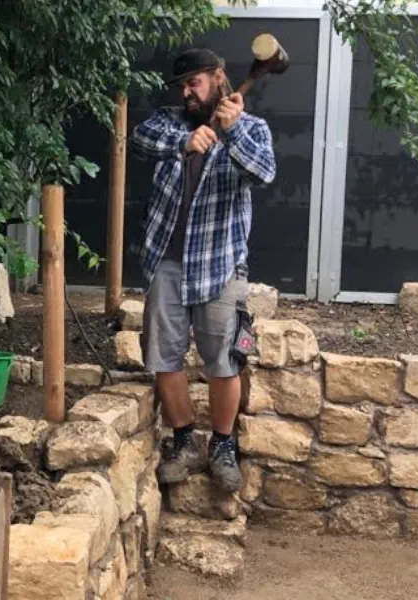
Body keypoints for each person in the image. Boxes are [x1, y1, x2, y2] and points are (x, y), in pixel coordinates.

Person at [129, 47, 276, 492]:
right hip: (167, 263)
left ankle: (223, 446)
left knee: (224, 360)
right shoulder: (169, 122)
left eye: (194, 82)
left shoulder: (251, 128)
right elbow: (137, 140)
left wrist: (230, 135)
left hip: (219, 264)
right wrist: (183, 143)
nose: (187, 92)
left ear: (218, 77)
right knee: (163, 356)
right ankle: (183, 442)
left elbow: (264, 173)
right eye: (182, 85)